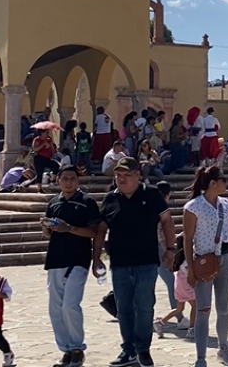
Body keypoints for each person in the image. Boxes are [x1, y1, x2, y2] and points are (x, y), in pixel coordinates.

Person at [93, 157, 175, 367]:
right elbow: (101, 229)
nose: (122, 179)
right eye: (119, 175)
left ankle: (143, 349)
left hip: (146, 261)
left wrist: (170, 249)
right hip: (119, 263)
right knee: (124, 308)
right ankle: (128, 349)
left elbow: (166, 220)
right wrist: (96, 258)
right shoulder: (110, 199)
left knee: (145, 306)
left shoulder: (152, 195)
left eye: (127, 175)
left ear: (138, 175)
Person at [183, 165, 228, 367]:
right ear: (213, 183)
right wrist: (190, 268)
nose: (226, 183)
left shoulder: (226, 204)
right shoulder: (193, 207)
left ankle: (223, 348)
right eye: (223, 179)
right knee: (203, 310)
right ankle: (200, 357)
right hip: (204, 260)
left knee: (223, 308)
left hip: (226, 258)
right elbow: (187, 240)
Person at [42, 165, 100, 367]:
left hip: (78, 259)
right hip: (56, 259)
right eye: (64, 178)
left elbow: (94, 231)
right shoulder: (53, 203)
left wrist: (70, 228)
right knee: (55, 308)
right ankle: (65, 348)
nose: (68, 182)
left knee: (70, 305)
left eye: (72, 178)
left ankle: (77, 347)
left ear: (78, 181)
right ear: (58, 180)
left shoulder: (86, 202)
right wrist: (47, 228)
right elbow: (48, 235)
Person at [153, 181, 188, 332]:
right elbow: (161, 235)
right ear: (168, 195)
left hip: (148, 249)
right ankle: (179, 316)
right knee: (172, 283)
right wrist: (169, 252)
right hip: (159, 250)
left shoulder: (149, 207)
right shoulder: (161, 210)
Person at [153, 234, 196, 341]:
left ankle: (161, 322)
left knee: (179, 308)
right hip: (186, 286)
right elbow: (189, 273)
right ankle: (192, 329)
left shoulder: (177, 258)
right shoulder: (186, 261)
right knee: (195, 307)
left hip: (179, 287)